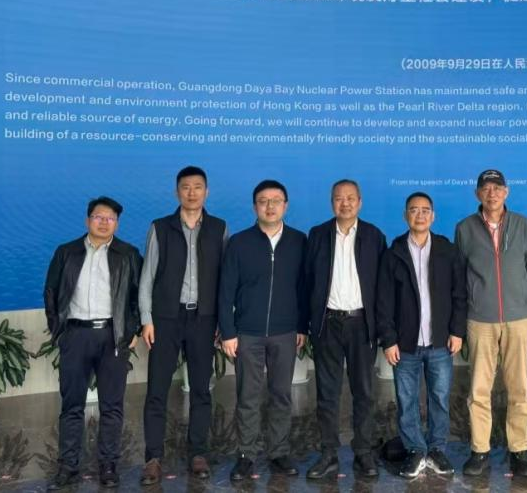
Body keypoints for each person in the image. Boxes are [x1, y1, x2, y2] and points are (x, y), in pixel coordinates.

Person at [43, 196, 141, 490]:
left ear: (117, 223)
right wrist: (58, 330)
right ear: (88, 220)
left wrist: (132, 330)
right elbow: (51, 291)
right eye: (99, 217)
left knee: (112, 405)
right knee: (71, 404)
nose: (104, 222)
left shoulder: (128, 254)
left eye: (110, 218)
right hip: (76, 334)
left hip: (112, 335)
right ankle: (68, 466)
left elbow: (139, 295)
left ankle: (109, 465)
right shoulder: (66, 252)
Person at [138, 166, 228, 485]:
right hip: (166, 318)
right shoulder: (160, 227)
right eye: (186, 187)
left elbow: (225, 280)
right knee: (157, 389)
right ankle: (153, 457)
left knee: (201, 389)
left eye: (198, 187)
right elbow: (147, 276)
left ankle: (198, 453)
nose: (192, 192)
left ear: (207, 191)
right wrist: (146, 319)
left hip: (203, 319)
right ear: (177, 192)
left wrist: (223, 321)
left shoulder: (219, 228)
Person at [218, 180, 307, 481]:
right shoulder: (239, 243)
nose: (270, 206)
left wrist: (302, 326)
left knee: (281, 394)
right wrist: (228, 332)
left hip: (285, 332)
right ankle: (246, 455)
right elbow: (225, 291)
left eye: (276, 200)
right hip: (248, 333)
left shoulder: (299, 241)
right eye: (263, 201)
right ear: (254, 206)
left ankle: (279, 452)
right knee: (248, 395)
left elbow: (304, 288)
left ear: (286, 205)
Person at [377, 192, 468, 479]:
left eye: (425, 210)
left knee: (439, 398)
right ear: (405, 215)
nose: (420, 215)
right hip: (405, 344)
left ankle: (437, 449)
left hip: (440, 341)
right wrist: (389, 339)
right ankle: (415, 450)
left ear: (433, 216)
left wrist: (457, 331)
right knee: (407, 400)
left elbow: (459, 294)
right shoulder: (393, 253)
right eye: (414, 210)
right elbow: (383, 301)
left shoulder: (446, 250)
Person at [454, 169, 527, 477]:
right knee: (479, 388)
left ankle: (520, 451)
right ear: (478, 193)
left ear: (507, 192)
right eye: (486, 188)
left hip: (518, 319)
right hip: (480, 319)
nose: (492, 193)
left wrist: (519, 300)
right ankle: (480, 451)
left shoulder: (523, 224)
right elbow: (461, 273)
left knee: (519, 388)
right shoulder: (464, 228)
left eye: (497, 188)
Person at [303, 179, 387, 480]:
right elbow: (307, 281)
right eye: (339, 198)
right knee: (327, 393)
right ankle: (328, 453)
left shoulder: (374, 236)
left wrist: (382, 327)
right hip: (327, 324)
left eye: (350, 198)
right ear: (332, 203)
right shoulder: (317, 235)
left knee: (363, 392)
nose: (345, 203)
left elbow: (382, 287)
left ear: (360, 202)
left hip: (361, 324)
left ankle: (363, 452)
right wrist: (306, 323)